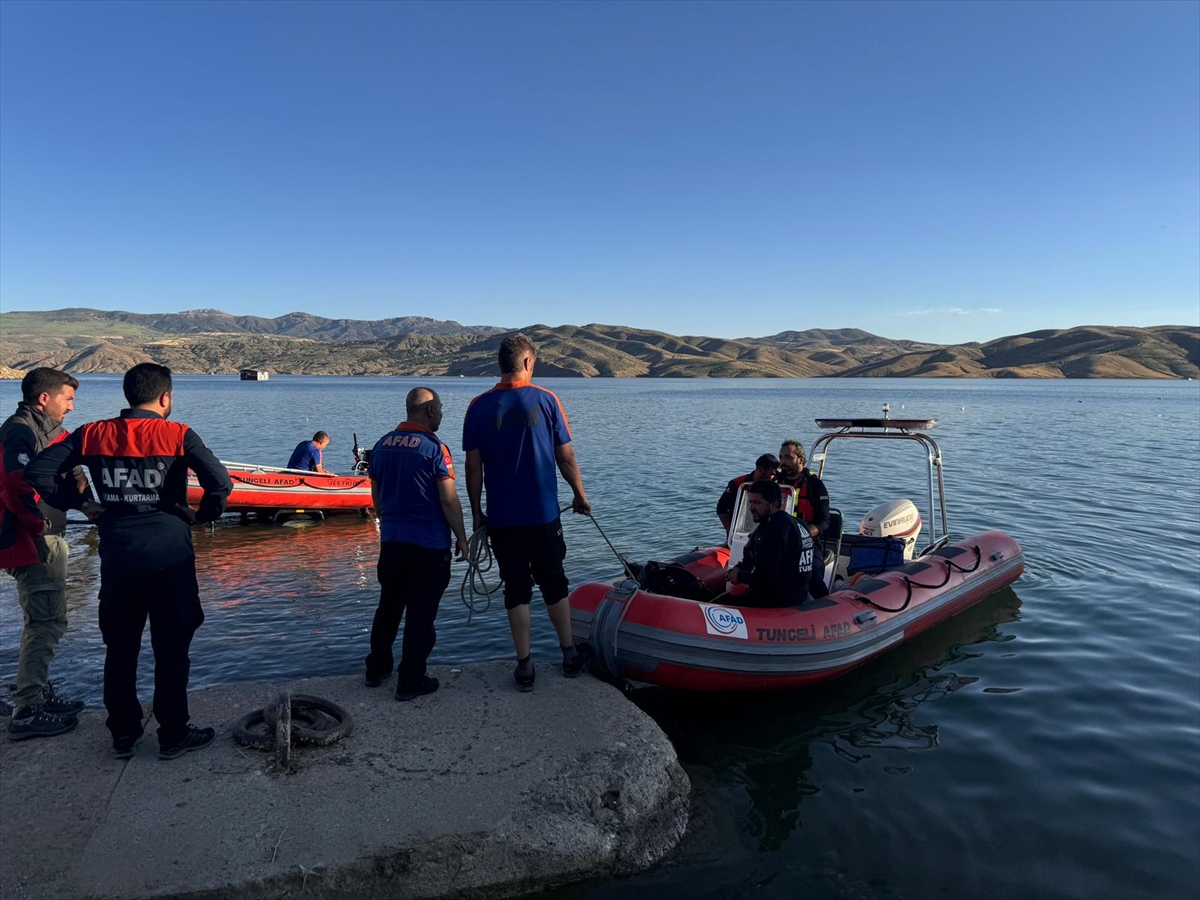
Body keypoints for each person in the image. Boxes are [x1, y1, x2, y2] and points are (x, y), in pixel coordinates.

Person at [26, 363, 232, 760]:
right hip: (170, 559)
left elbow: (39, 471)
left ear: (128, 395)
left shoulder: (92, 433)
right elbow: (220, 483)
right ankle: (173, 734)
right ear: (165, 397)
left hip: (119, 559)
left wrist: (84, 504)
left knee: (120, 649)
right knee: (172, 648)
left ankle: (123, 733)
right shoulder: (179, 434)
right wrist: (202, 516)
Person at [463, 333, 591, 692]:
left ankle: (524, 667)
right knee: (554, 583)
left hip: (502, 519)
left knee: (516, 589)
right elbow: (565, 456)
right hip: (543, 515)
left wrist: (476, 513)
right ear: (527, 362)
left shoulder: (477, 407)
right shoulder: (548, 400)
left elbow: (474, 469)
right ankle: (569, 655)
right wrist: (579, 495)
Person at [365, 387, 468, 700]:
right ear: (431, 411)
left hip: (393, 543)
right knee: (421, 614)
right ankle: (411, 679)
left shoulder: (381, 446)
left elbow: (377, 499)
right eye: (441, 407)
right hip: (429, 546)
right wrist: (462, 538)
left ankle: (376, 669)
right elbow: (449, 501)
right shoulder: (435, 449)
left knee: (389, 607)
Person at [0, 368, 85, 740]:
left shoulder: (45, 432)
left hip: (45, 536)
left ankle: (34, 690)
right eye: (67, 399)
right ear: (45, 398)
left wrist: (82, 496)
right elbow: (16, 484)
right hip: (34, 540)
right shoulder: (21, 430)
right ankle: (27, 710)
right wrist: (38, 527)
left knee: (50, 618)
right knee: (44, 622)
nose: (71, 406)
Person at [726, 480, 813, 608]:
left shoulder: (772, 531)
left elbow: (767, 576)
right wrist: (741, 567)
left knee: (717, 603)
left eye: (757, 503)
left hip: (777, 601)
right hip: (799, 596)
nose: (752, 508)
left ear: (774, 505)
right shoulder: (799, 524)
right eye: (750, 502)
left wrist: (739, 576)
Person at [775, 438, 831, 596]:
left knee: (813, 579)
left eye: (787, 457)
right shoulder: (774, 483)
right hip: (777, 541)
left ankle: (824, 607)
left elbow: (824, 521)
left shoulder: (815, 485)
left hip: (807, 544)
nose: (782, 461)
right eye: (780, 457)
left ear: (801, 459)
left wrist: (802, 535)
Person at [716, 453, 780, 534]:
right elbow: (721, 508)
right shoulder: (738, 484)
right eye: (772, 474)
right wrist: (731, 530)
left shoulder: (776, 484)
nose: (774, 477)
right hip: (739, 531)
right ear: (760, 470)